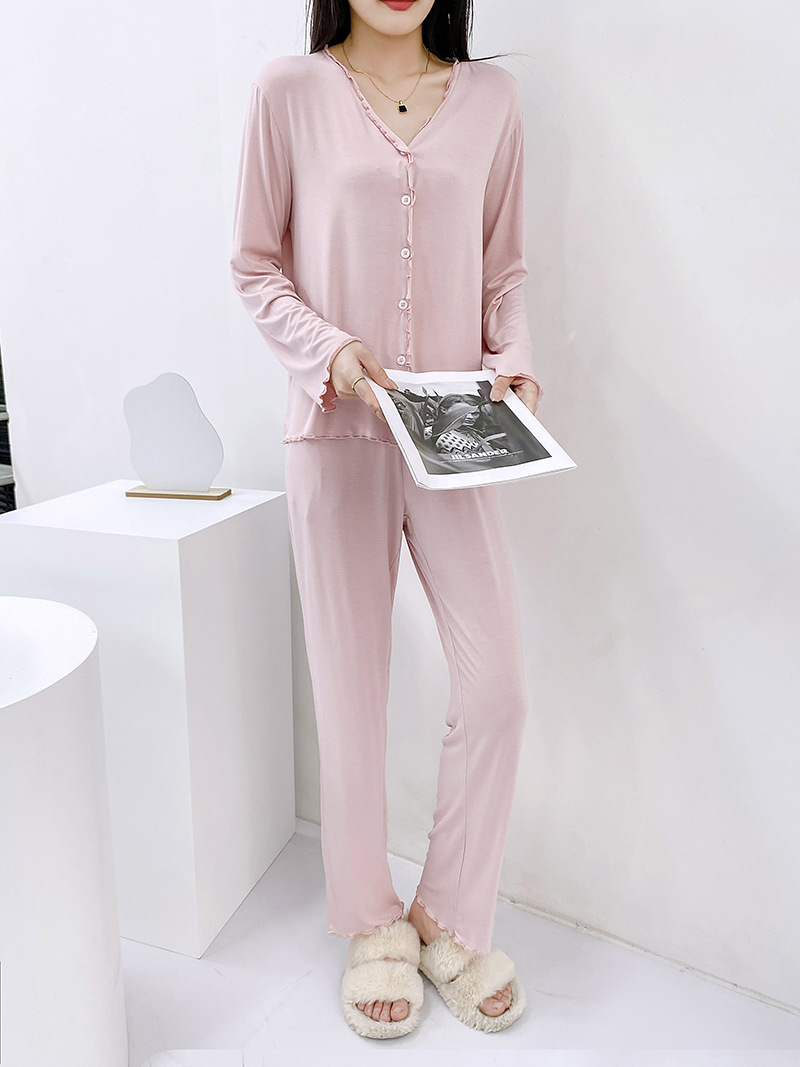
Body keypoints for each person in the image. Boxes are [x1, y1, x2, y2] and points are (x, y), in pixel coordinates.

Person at [230, 0, 543, 1039]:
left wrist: (513, 361)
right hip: (335, 429)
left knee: (497, 689)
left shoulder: (492, 100)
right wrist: (330, 352)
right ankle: (371, 921)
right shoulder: (288, 91)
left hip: (455, 435)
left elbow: (503, 269)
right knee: (351, 697)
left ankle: (448, 914)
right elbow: (255, 265)